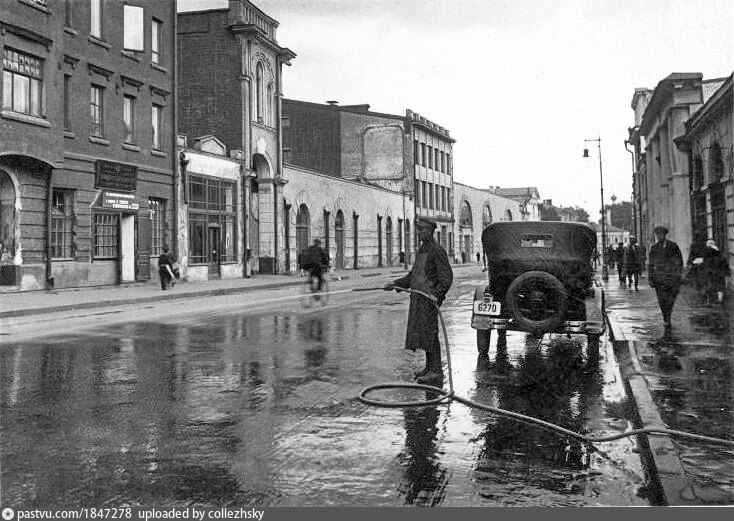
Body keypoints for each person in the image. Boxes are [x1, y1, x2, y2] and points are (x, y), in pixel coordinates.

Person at [384, 217, 453, 385]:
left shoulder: (437, 250)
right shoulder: (423, 249)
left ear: (429, 232)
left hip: (428, 300)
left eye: (421, 230)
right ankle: (429, 368)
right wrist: (395, 283)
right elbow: (413, 276)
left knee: (430, 334)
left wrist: (437, 295)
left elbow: (447, 277)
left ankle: (436, 372)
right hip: (418, 299)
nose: (418, 233)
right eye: (418, 230)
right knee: (424, 334)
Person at [648, 226, 683, 333]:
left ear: (665, 235)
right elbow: (650, 264)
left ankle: (668, 315)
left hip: (672, 279)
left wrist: (677, 274)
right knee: (662, 300)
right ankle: (666, 317)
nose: (659, 236)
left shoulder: (673, 246)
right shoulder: (654, 248)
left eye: (661, 234)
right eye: (657, 234)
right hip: (659, 279)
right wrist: (650, 278)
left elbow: (679, 261)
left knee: (671, 299)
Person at [702, 239, 730, 305]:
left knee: (710, 285)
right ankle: (719, 300)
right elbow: (724, 262)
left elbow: (706, 262)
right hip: (719, 272)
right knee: (720, 286)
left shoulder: (708, 252)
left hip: (712, 271)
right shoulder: (719, 252)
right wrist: (726, 273)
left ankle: (709, 300)